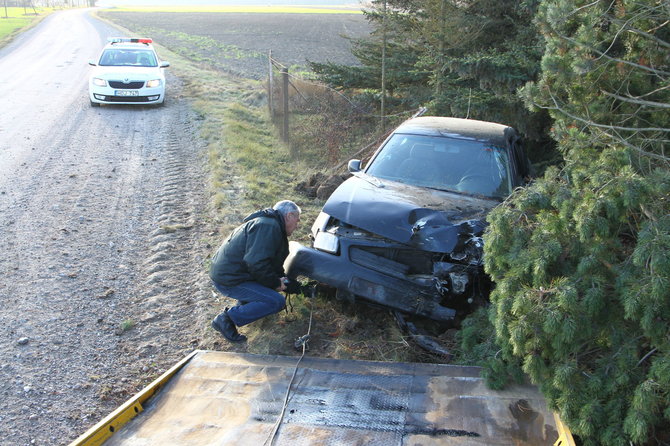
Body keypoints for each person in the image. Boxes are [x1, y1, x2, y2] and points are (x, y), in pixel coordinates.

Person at [209, 200, 301, 342]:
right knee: (276, 302)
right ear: (289, 215)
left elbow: (269, 262)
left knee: (269, 289)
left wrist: (285, 281)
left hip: (234, 274)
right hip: (230, 279)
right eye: (297, 220)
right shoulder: (268, 227)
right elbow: (256, 263)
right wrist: (276, 283)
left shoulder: (269, 224)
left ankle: (244, 305)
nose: (297, 225)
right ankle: (226, 319)